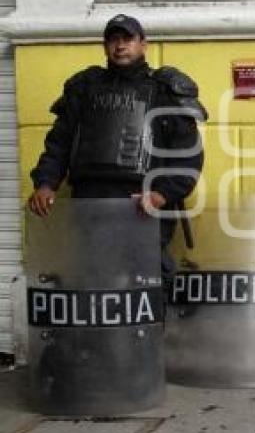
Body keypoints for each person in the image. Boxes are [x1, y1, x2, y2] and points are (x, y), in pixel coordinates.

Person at [27, 14, 207, 274]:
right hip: (90, 205)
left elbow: (188, 155)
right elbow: (59, 143)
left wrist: (161, 195)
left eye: (128, 39)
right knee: (92, 281)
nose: (120, 45)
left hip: (144, 206)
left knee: (145, 285)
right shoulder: (84, 88)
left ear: (143, 44)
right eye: (113, 39)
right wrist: (45, 183)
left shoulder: (165, 90)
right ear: (105, 47)